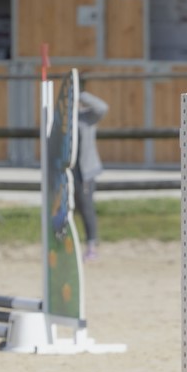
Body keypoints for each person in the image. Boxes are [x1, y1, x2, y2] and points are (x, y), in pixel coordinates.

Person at [72, 90, 108, 261]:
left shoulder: (86, 118)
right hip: (69, 171)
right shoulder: (63, 121)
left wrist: (81, 95)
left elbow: (102, 107)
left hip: (85, 171)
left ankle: (91, 245)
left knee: (86, 207)